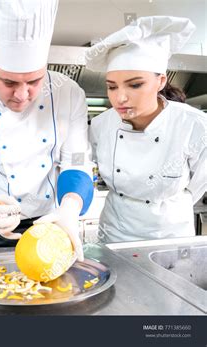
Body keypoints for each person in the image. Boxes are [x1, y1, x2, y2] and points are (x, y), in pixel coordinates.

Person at [0, 0, 94, 260]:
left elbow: (76, 163)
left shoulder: (68, 94)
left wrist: (70, 207)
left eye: (34, 81)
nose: (22, 95)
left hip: (50, 223)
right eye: (9, 82)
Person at [87, 16, 206, 243]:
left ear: (161, 81)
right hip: (114, 233)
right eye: (111, 86)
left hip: (169, 236)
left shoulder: (193, 125)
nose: (120, 98)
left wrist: (170, 207)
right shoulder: (101, 125)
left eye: (135, 84)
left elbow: (199, 184)